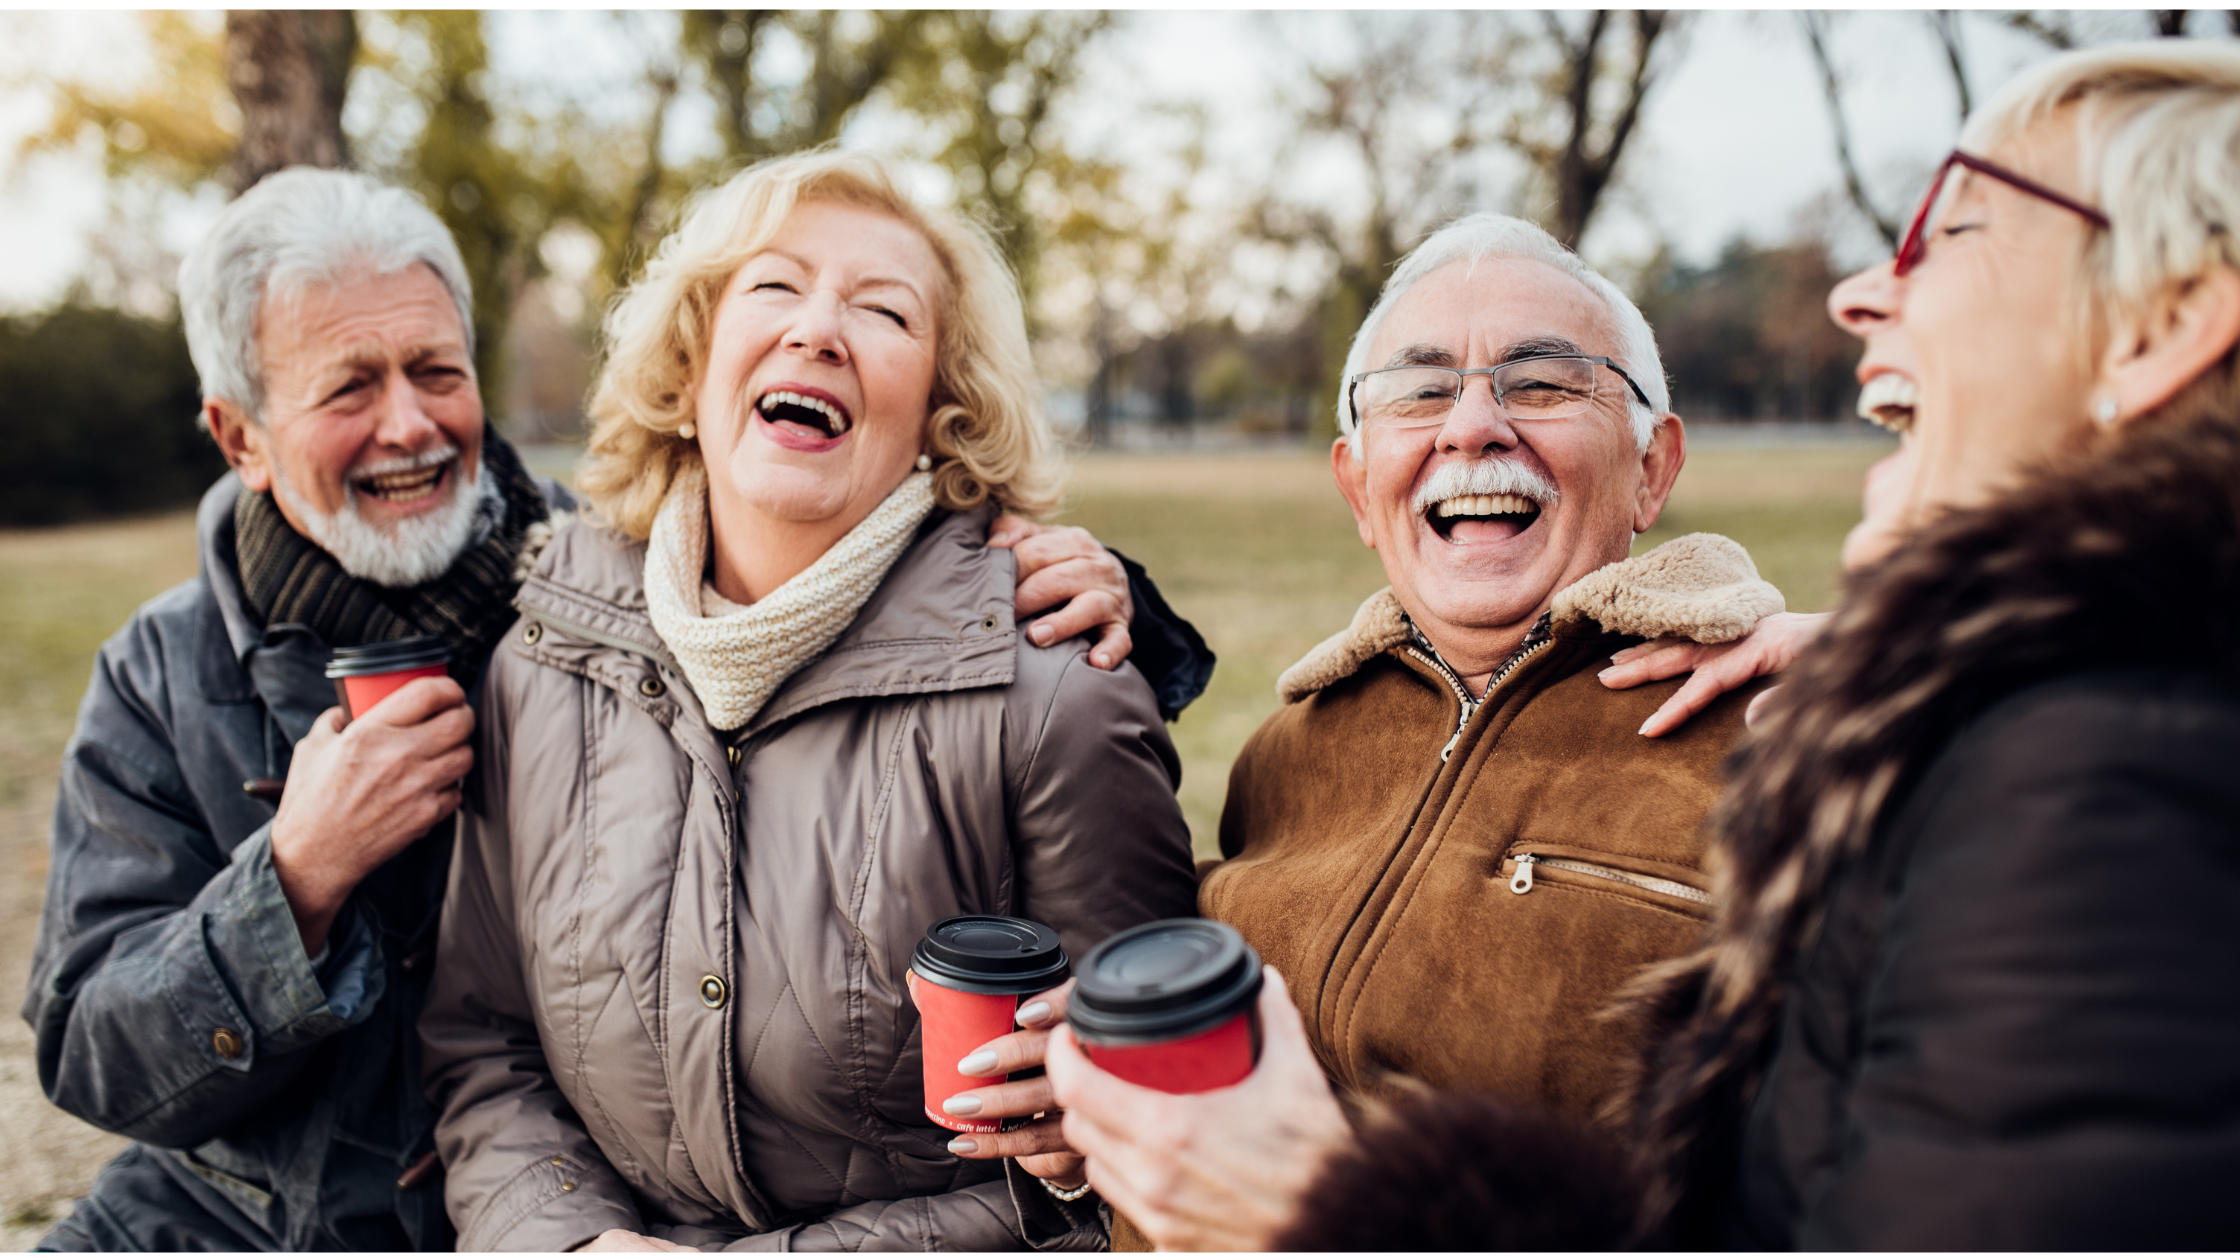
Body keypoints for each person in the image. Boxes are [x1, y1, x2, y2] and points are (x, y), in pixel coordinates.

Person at [1048, 39, 2240, 1251]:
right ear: (1358, 490)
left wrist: (1326, 1212)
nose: (1473, 422)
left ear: (1653, 466)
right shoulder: (1282, 755)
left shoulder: (1816, 754)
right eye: (1418, 390)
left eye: (1542, 381)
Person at [22, 166, 1199, 1252]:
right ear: (241, 438)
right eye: (348, 387)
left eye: (436, 370)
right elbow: (92, 1053)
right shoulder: (170, 675)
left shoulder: (567, 606)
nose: (410, 425)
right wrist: (293, 880)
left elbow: (877, 598)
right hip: (252, 1218)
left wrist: (1107, 612)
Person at [418, 150, 1201, 1253]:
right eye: (774, 287)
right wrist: (570, 1243)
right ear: (691, 369)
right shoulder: (539, 662)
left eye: (883, 311)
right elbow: (482, 1046)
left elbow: (1135, 1143)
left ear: (940, 412)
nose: (818, 329)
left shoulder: (1056, 691)